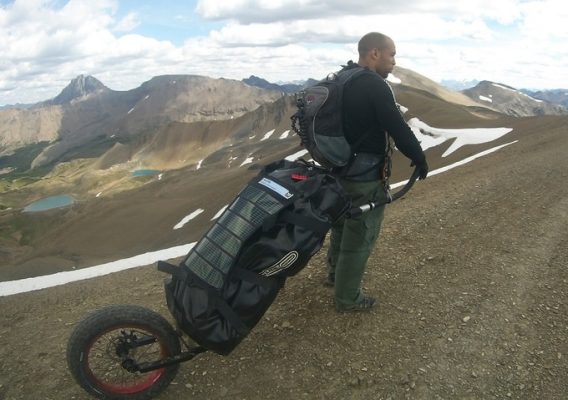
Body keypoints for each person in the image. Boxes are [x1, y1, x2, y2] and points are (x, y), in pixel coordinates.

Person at [327, 32, 428, 312]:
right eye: (391, 54)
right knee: (360, 235)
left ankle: (334, 274)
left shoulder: (343, 77)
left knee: (341, 223)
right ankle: (347, 298)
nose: (394, 61)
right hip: (364, 175)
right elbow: (397, 127)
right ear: (374, 53)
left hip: (335, 169)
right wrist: (419, 158)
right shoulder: (374, 85)